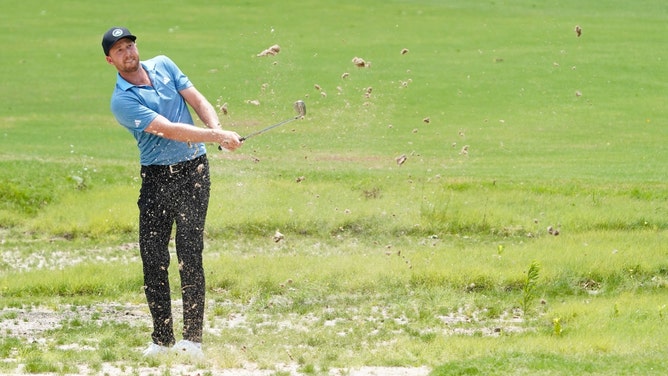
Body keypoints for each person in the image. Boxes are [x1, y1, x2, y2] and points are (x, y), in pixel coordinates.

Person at [101, 26, 242, 358]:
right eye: (119, 50)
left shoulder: (164, 64)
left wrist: (217, 129)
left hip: (194, 173)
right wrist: (218, 139)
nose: (128, 52)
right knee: (154, 259)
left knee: (190, 256)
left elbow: (197, 99)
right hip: (156, 179)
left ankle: (192, 341)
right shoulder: (122, 100)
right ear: (110, 60)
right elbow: (168, 130)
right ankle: (162, 340)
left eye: (130, 45)